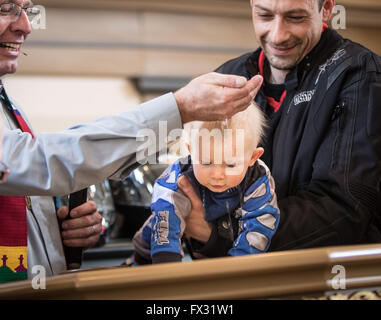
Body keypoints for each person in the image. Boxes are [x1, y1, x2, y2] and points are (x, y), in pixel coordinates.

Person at [0, 0, 263, 281]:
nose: (26, 25)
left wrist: (54, 228)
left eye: (27, 10)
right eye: (6, 9)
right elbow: (33, 160)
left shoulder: (10, 108)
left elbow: (25, 177)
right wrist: (178, 108)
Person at [179, 0, 381, 255]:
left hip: (322, 282)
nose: (278, 35)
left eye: (295, 17)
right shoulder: (228, 79)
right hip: (231, 275)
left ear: (327, 8)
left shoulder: (360, 76)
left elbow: (343, 209)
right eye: (264, 15)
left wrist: (223, 231)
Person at [126, 103, 279, 265]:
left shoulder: (258, 180)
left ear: (253, 158)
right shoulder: (178, 175)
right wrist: (166, 263)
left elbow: (260, 225)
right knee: (159, 223)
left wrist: (237, 267)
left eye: (231, 165)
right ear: (191, 150)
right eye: (206, 162)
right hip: (152, 252)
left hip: (226, 250)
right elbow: (166, 216)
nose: (217, 175)